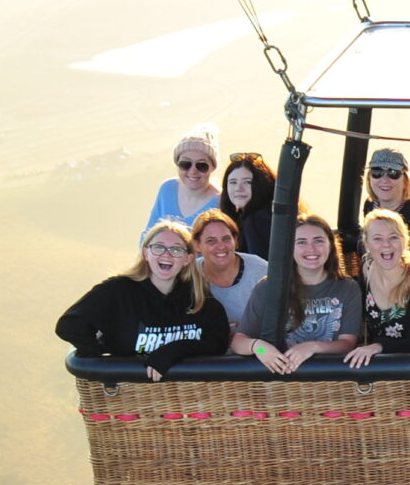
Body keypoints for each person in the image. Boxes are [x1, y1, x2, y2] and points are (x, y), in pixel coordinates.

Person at [56, 220, 229, 379]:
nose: (167, 255)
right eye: (159, 247)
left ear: (187, 259)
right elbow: (69, 325)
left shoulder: (198, 296)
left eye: (176, 249)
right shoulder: (118, 291)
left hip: (189, 402)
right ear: (146, 253)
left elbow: (218, 342)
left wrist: (174, 350)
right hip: (132, 400)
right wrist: (111, 355)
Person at [229, 212, 360, 373]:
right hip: (282, 381)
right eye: (301, 242)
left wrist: (312, 348)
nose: (311, 249)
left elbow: (347, 343)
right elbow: (239, 341)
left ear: (331, 245)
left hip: (331, 381)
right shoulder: (268, 288)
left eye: (318, 241)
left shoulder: (348, 288)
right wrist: (260, 348)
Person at [344, 208, 410, 364]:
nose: (386, 245)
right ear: (366, 243)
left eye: (393, 237)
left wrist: (378, 346)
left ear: (404, 241)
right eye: (377, 239)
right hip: (375, 362)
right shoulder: (366, 268)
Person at [359, 147, 410, 263]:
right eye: (377, 172)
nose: (384, 179)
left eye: (393, 173)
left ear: (405, 181)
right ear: (369, 178)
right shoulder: (370, 206)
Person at [189, 208, 269, 325]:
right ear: (197, 245)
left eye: (226, 239)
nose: (221, 246)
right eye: (211, 241)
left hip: (256, 342)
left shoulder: (261, 270)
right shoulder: (189, 274)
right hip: (209, 341)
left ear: (235, 240)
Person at [145, 130, 220, 236]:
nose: (193, 171)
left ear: (212, 167)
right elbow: (148, 234)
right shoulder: (167, 189)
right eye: (185, 164)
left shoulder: (220, 202)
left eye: (201, 165)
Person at [216, 152, 275, 258]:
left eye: (247, 182)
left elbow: (259, 268)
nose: (239, 188)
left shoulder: (259, 220)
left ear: (262, 184)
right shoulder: (242, 217)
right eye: (233, 182)